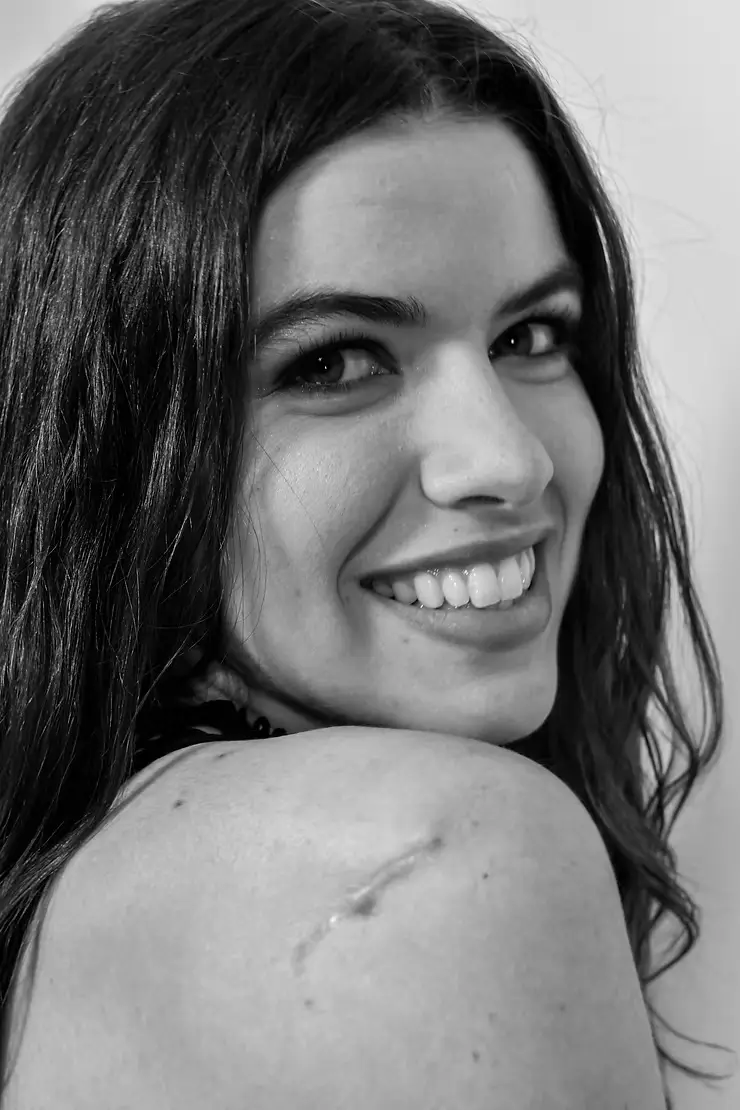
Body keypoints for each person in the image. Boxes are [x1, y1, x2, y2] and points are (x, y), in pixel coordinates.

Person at [0, 0, 733, 1106]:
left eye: (528, 337)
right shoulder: (447, 850)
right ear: (109, 438)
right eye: (336, 361)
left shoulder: (82, 878)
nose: (506, 460)